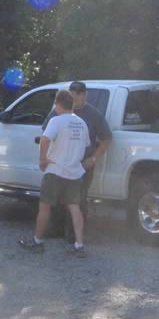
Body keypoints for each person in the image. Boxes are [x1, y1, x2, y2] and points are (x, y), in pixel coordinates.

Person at [19, 90, 89, 257]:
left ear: (58, 104)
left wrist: (42, 160)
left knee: (45, 206)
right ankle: (79, 245)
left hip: (55, 170)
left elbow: (44, 139)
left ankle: (37, 241)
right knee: (74, 207)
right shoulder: (81, 122)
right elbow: (85, 145)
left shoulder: (56, 121)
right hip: (74, 172)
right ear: (72, 104)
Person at [43, 81, 112, 236]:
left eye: (78, 95)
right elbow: (45, 133)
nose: (74, 98)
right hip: (59, 163)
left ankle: (75, 236)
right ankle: (56, 230)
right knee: (56, 198)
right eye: (72, 94)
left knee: (78, 201)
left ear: (84, 95)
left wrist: (93, 159)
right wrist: (46, 158)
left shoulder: (94, 115)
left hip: (82, 165)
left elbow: (106, 138)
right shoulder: (57, 112)